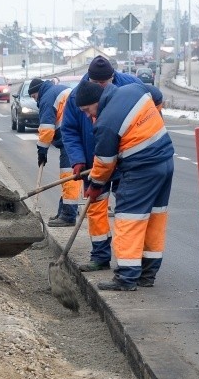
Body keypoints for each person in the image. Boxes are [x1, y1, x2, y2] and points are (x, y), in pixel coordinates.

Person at [74, 79, 174, 291]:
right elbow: (155, 94)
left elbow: (104, 163)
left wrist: (95, 185)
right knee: (155, 218)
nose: (87, 115)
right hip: (165, 162)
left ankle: (126, 278)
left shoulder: (106, 122)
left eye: (87, 109)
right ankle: (147, 274)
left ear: (96, 101)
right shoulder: (134, 89)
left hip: (142, 169)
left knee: (129, 219)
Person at [60, 55, 140, 272]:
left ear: (113, 77)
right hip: (93, 161)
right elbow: (69, 130)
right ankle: (100, 256)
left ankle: (130, 260)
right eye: (97, 84)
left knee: (127, 210)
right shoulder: (78, 95)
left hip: (125, 162)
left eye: (105, 83)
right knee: (95, 208)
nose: (101, 88)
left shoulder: (131, 86)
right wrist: (77, 159)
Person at [29, 77, 81, 227]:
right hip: (75, 134)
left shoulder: (46, 98)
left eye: (33, 97)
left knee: (68, 175)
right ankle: (63, 211)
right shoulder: (57, 90)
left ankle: (68, 216)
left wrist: (42, 151)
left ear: (38, 92)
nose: (34, 100)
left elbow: (46, 129)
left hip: (71, 138)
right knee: (67, 176)